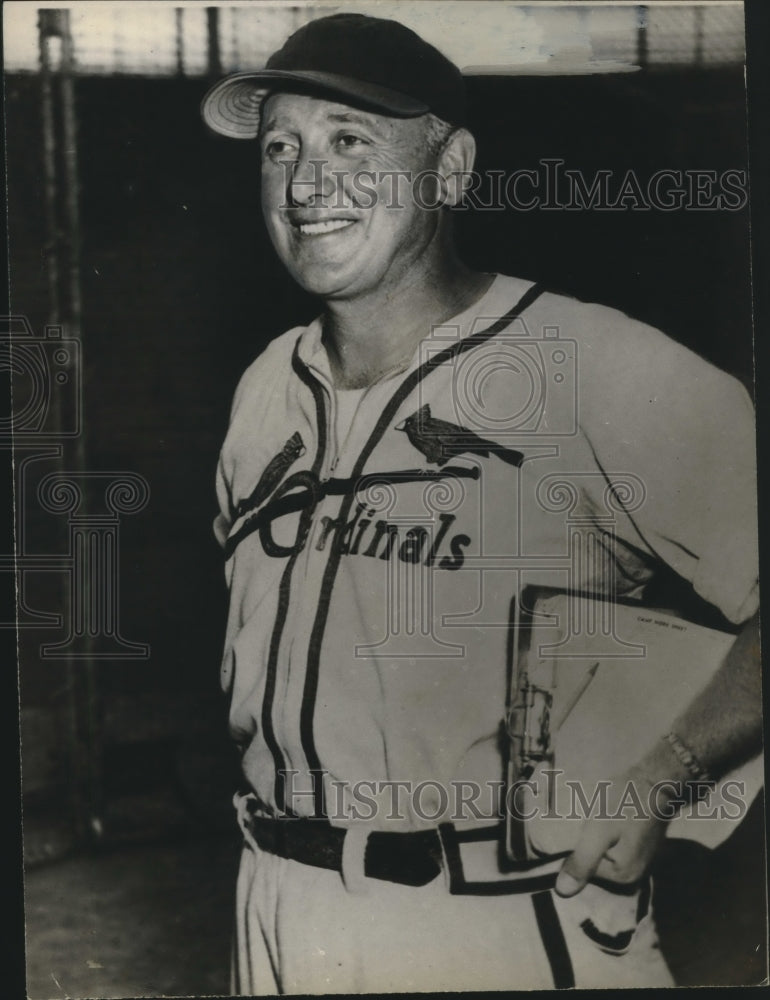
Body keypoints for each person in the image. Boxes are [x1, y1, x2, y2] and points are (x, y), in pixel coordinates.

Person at [202, 12, 761, 993]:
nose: (302, 184)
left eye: (348, 143)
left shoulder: (590, 367)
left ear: (450, 170)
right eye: (278, 145)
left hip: (499, 918)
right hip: (278, 904)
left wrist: (666, 768)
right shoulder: (262, 389)